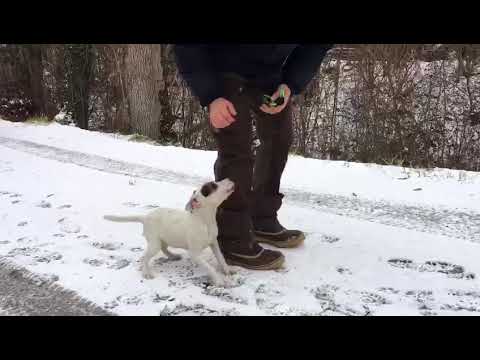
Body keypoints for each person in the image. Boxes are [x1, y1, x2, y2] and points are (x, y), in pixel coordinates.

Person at [174, 44, 333, 270]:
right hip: (223, 68)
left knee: (279, 138)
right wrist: (211, 96)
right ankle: (233, 239)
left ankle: (262, 218)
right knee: (237, 151)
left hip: (267, 73)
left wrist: (289, 84)